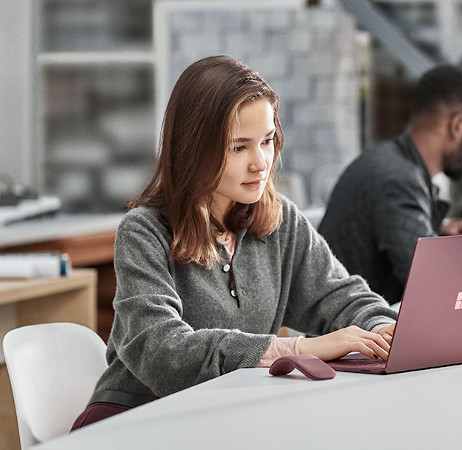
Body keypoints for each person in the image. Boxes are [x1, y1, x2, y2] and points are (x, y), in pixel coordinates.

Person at [71, 55, 397, 430]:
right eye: (238, 147)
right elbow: (162, 352)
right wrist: (295, 350)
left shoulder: (280, 220)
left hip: (228, 416)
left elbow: (340, 298)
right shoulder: (143, 231)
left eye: (267, 141)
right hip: (137, 420)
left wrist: (385, 331)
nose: (261, 163)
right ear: (193, 148)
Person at [318, 65, 462, 305]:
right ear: (457, 126)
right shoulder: (399, 180)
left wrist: (434, 232)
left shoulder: (389, 161)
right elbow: (434, 285)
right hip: (355, 336)